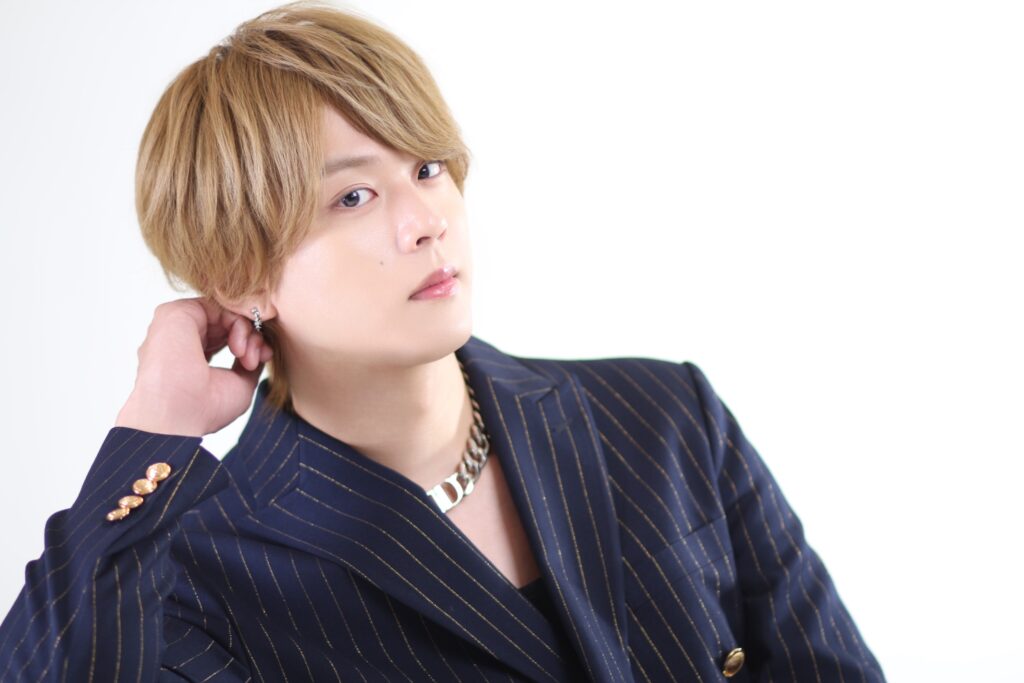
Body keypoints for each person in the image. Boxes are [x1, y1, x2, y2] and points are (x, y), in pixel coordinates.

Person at [0, 2, 886, 681]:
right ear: (241, 276)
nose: (425, 218)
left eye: (426, 167)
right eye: (353, 196)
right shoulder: (198, 571)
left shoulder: (662, 415)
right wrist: (153, 425)